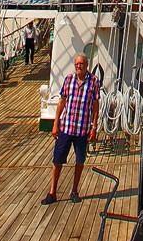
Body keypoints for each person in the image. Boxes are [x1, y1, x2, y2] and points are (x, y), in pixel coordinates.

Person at [43, 53, 100, 205]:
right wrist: (55, 123)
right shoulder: (69, 79)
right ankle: (52, 192)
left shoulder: (94, 81)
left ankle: (74, 191)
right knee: (57, 160)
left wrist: (94, 127)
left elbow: (95, 106)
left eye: (81, 64)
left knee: (80, 161)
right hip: (66, 128)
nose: (79, 66)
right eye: (77, 64)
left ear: (86, 65)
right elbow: (62, 101)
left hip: (82, 129)